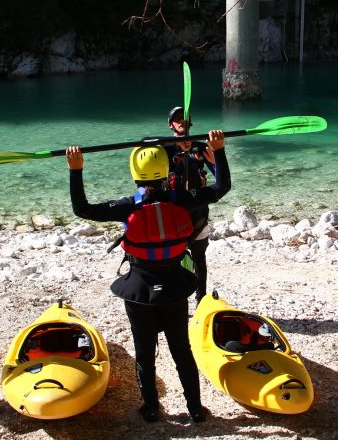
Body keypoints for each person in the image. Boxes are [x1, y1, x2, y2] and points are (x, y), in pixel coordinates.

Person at [66, 130, 230, 423]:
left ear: (134, 172)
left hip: (139, 291)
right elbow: (221, 188)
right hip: (175, 289)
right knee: (182, 351)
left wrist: (76, 170)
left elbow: (83, 209)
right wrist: (218, 150)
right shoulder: (182, 200)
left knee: (143, 352)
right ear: (166, 172)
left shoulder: (128, 206)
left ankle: (151, 407)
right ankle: (195, 409)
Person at [164, 106, 217, 302]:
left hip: (199, 215)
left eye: (184, 118)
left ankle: (201, 298)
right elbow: (144, 144)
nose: (181, 121)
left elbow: (220, 177)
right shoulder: (163, 149)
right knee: (173, 261)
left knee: (199, 259)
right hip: (175, 216)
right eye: (177, 119)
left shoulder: (200, 148)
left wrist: (218, 152)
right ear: (170, 125)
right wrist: (179, 146)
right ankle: (177, 298)